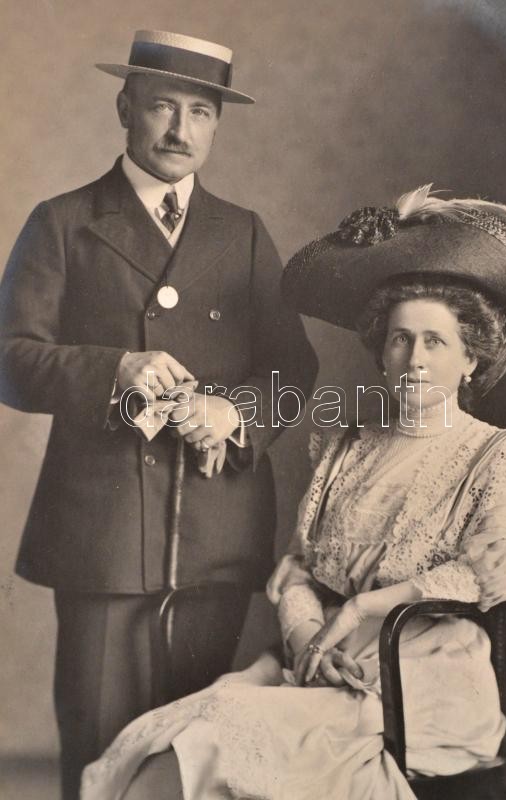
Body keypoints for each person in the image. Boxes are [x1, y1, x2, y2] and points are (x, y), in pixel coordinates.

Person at [80, 184, 506, 800]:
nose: (415, 358)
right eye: (400, 338)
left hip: (424, 684)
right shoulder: (345, 446)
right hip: (323, 665)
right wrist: (309, 640)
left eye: (436, 341)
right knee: (165, 746)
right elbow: (298, 570)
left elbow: (497, 573)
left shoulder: (497, 454)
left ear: (471, 359)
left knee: (214, 748)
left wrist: (363, 608)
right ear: (381, 353)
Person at [0, 29, 318, 800]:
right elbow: (9, 356)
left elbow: (294, 368)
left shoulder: (242, 232)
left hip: (216, 532)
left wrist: (234, 414)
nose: (180, 129)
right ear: (125, 108)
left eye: (200, 112)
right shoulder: (64, 222)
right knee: (100, 748)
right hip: (104, 534)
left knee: (195, 755)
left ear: (216, 124)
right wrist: (114, 369)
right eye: (162, 107)